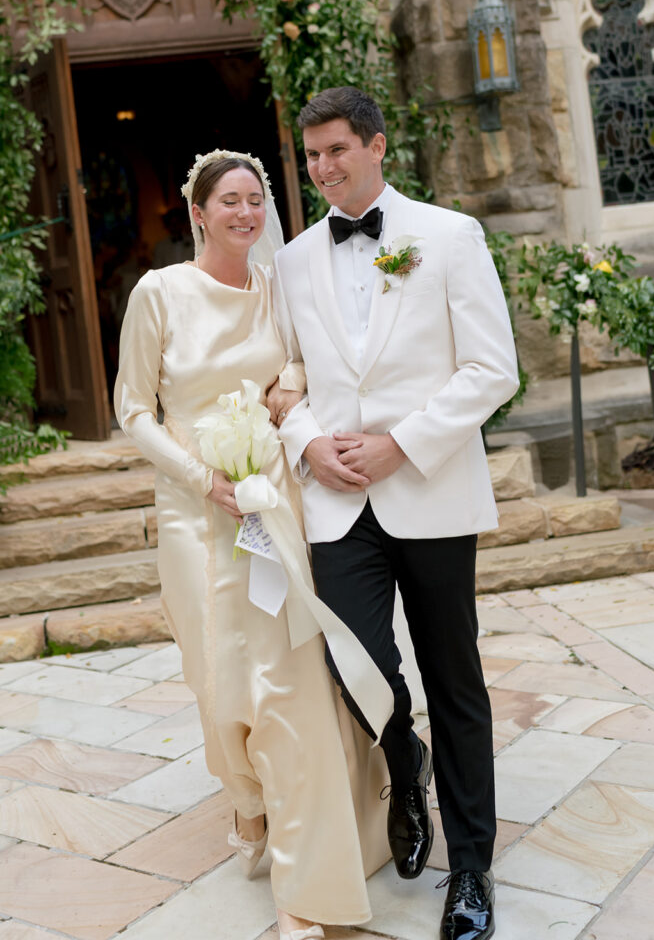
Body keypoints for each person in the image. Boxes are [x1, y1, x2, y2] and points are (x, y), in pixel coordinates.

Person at [114, 149, 389, 940]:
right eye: (228, 200)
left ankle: (308, 876)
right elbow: (132, 410)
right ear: (197, 211)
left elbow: (308, 355)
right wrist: (205, 480)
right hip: (195, 513)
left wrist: (290, 387)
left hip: (270, 505)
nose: (244, 213)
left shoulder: (277, 289)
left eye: (255, 200)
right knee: (216, 676)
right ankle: (247, 797)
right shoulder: (158, 293)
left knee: (285, 676)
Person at [269, 88, 519, 940]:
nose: (322, 168)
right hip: (338, 507)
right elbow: (284, 376)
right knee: (357, 667)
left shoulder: (448, 237)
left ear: (376, 146)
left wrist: (400, 445)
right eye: (311, 156)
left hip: (430, 491)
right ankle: (402, 767)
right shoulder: (295, 259)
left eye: (336, 149)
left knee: (455, 678)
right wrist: (306, 442)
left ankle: (472, 867)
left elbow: (491, 370)